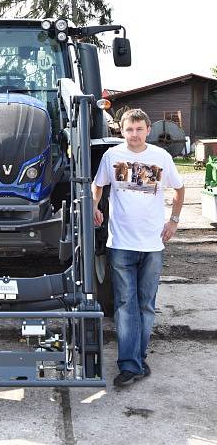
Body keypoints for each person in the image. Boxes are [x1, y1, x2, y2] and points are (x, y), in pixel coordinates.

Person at [92, 108, 185, 387]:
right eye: (129, 129)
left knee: (146, 304)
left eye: (139, 129)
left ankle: (138, 358)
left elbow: (180, 189)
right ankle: (131, 365)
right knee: (125, 305)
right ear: (122, 131)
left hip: (153, 243)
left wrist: (174, 221)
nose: (134, 134)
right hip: (121, 243)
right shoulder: (112, 157)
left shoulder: (161, 157)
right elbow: (98, 185)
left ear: (148, 130)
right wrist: (95, 205)